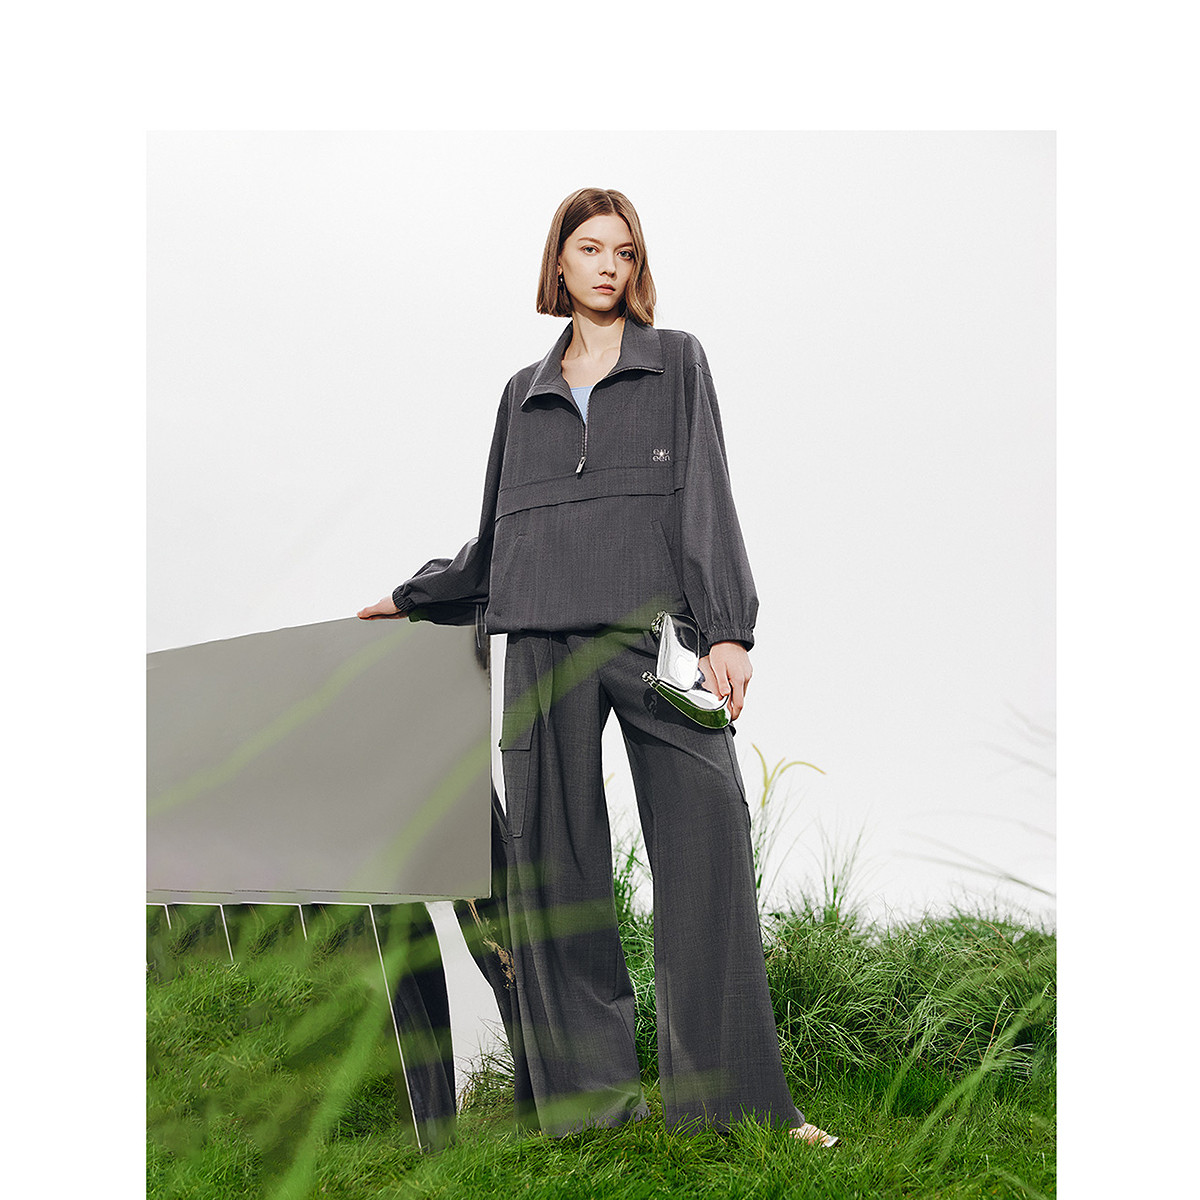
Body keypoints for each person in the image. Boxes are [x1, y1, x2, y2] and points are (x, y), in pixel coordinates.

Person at [359, 187, 837, 1147]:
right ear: (560, 264)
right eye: (589, 248)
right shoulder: (522, 393)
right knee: (558, 877)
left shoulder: (677, 363)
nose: (608, 265)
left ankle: (735, 1105)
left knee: (708, 844)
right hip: (539, 641)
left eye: (623, 250)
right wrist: (417, 593)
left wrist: (726, 631)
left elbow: (705, 495)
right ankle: (589, 1110)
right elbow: (501, 533)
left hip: (646, 635)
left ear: (636, 265)